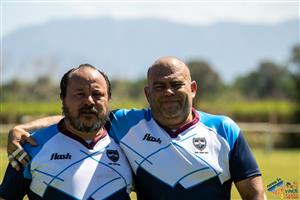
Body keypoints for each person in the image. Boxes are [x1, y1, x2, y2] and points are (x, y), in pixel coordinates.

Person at [4, 57, 266, 200]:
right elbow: (82, 117)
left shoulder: (225, 130)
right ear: (147, 93)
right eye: (160, 87)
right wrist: (24, 128)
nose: (169, 93)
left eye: (176, 85)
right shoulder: (127, 125)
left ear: (193, 88)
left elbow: (254, 195)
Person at [0, 64, 133, 200]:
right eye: (79, 94)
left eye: (97, 94)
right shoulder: (30, 147)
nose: (89, 101)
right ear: (63, 99)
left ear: (108, 99)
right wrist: (24, 128)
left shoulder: (129, 143)